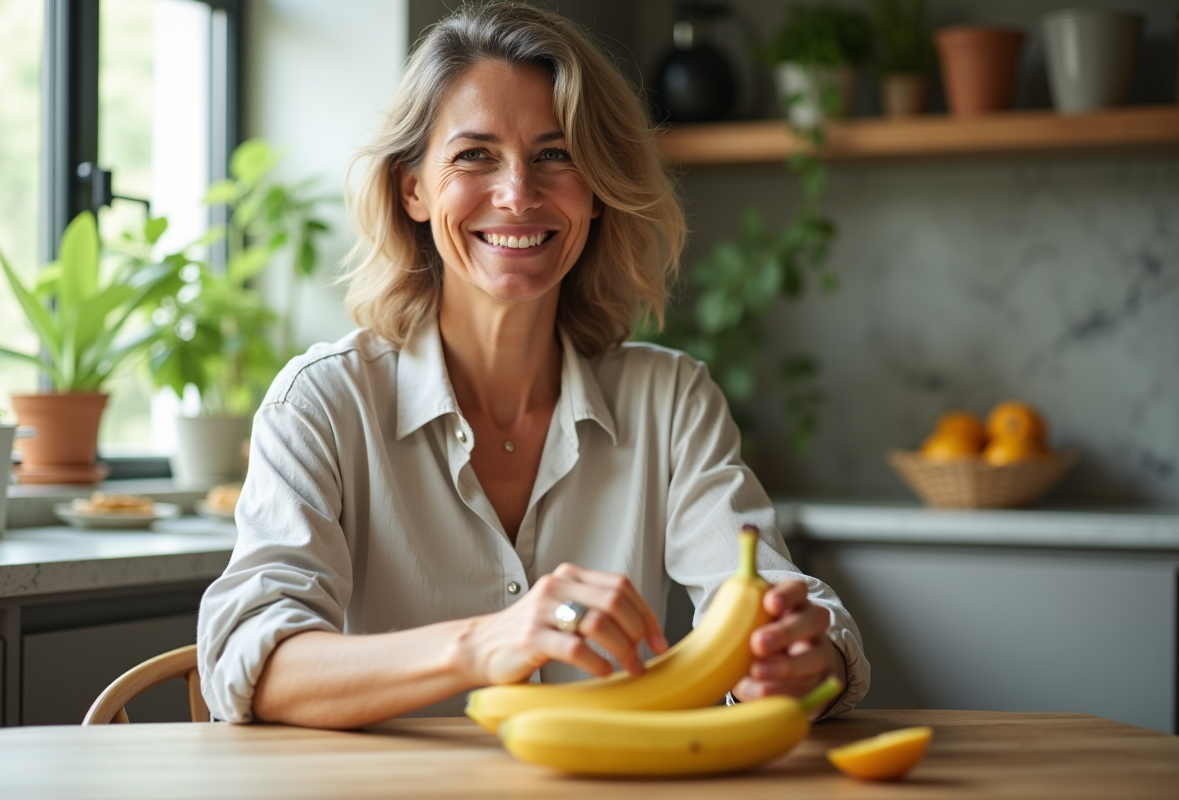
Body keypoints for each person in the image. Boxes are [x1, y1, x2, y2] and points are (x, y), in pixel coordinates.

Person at [198, 2, 869, 729]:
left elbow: (777, 600)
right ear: (413, 189)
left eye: (555, 155)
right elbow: (252, 663)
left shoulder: (671, 401)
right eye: (474, 155)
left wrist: (800, 658)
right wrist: (482, 644)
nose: (518, 193)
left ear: (597, 191)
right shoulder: (321, 404)